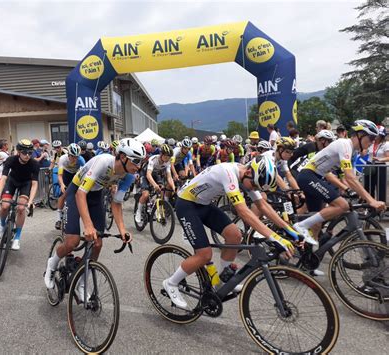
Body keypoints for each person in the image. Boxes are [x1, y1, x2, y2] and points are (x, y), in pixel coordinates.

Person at [162, 156, 298, 309]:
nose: (253, 189)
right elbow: (243, 211)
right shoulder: (228, 173)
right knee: (204, 254)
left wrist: (288, 229)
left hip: (204, 204)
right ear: (248, 171)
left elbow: (262, 205)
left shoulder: (248, 177)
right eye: (253, 185)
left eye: (257, 188)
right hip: (186, 205)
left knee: (235, 236)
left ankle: (222, 281)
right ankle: (171, 282)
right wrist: (274, 237)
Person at [44, 138, 146, 301]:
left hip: (95, 195)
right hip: (77, 190)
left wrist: (122, 230)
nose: (139, 166)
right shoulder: (103, 162)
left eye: (141, 161)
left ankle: (82, 283)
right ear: (122, 157)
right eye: (136, 161)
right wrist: (88, 226)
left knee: (97, 243)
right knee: (72, 242)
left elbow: (117, 204)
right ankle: (52, 263)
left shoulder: (129, 176)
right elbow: (80, 194)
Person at [294, 120, 386, 245]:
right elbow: (350, 177)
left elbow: (330, 174)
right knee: (342, 205)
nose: (372, 142)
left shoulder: (351, 151)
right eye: (370, 138)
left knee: (316, 223)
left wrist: (348, 189)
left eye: (374, 139)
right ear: (360, 135)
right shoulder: (344, 144)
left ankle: (305, 255)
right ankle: (301, 225)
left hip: (315, 177)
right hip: (308, 176)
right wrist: (371, 200)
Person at [0, 139, 40, 250]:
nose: (27, 155)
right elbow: (3, 179)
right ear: (18, 152)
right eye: (24, 153)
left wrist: (30, 201)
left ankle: (17, 238)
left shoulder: (34, 164)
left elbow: (34, 184)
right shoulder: (10, 160)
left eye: (30, 153)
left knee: (21, 207)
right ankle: (2, 225)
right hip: (12, 181)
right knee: (5, 206)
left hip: (26, 183)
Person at [135, 144, 175, 224]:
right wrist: (154, 185)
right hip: (146, 173)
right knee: (146, 194)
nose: (168, 158)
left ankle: (157, 210)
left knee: (161, 190)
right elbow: (148, 175)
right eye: (166, 156)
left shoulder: (168, 162)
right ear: (161, 154)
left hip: (156, 174)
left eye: (169, 156)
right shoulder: (153, 159)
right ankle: (138, 212)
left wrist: (173, 187)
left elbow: (169, 177)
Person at [54, 143, 86, 230]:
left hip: (76, 175)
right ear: (68, 155)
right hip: (66, 174)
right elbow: (60, 176)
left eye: (77, 157)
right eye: (73, 156)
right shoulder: (62, 159)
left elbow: (84, 176)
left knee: (78, 193)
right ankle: (58, 218)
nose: (75, 159)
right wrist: (62, 185)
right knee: (63, 194)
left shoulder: (81, 160)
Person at [364, 125, 389, 203]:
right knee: (368, 186)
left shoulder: (386, 144)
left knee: (381, 186)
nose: (376, 136)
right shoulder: (370, 142)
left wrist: (380, 159)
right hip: (369, 165)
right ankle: (369, 205)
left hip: (380, 166)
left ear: (382, 135)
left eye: (378, 134)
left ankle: (381, 205)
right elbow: (363, 153)